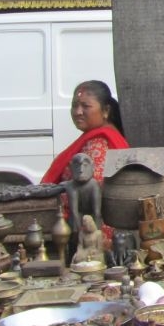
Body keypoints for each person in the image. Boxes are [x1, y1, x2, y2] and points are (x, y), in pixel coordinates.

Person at [41, 81, 128, 221]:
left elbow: (87, 194)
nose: (77, 112)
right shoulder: (97, 136)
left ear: (105, 111)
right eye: (74, 106)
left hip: (90, 224)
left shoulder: (98, 143)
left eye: (85, 106)